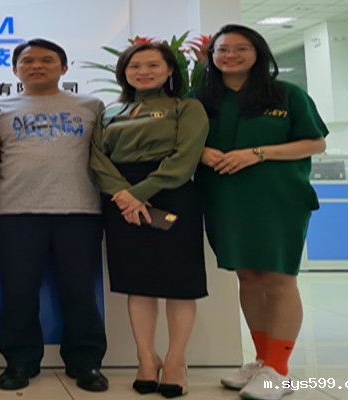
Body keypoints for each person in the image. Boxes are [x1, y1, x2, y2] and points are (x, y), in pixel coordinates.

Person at [195, 24, 327, 400]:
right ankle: (262, 359)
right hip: (224, 199)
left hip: (277, 199)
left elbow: (314, 143)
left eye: (241, 48)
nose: (231, 55)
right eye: (223, 49)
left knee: (278, 279)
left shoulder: (286, 94)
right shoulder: (201, 98)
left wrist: (257, 153)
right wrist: (202, 151)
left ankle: (278, 370)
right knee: (249, 278)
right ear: (212, 56)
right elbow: (182, 140)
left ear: (258, 53)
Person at [0, 38, 108, 392]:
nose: (37, 65)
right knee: (18, 292)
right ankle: (19, 363)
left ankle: (86, 363)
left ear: (64, 68)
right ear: (15, 70)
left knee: (80, 291)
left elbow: (105, 157)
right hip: (14, 211)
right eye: (28, 61)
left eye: (47, 60)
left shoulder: (91, 106)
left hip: (79, 210)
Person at [89, 41, 208, 398]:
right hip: (120, 199)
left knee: (180, 283)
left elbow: (184, 158)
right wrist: (122, 194)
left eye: (153, 65)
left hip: (172, 194)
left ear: (170, 70)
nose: (143, 72)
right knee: (137, 282)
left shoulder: (186, 107)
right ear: (123, 72)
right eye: (135, 66)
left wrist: (139, 193)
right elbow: (97, 159)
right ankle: (145, 358)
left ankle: (175, 361)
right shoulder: (111, 111)